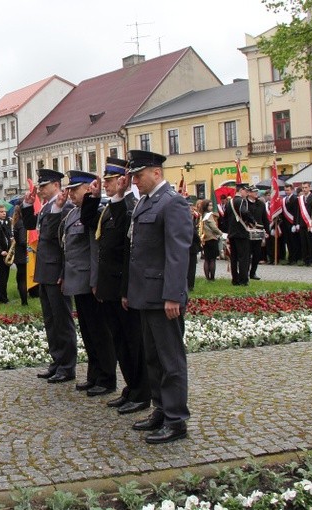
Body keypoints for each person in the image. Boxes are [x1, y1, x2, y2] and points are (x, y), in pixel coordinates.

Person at [122, 149, 192, 445]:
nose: (135, 181)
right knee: (153, 357)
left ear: (156, 173)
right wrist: (130, 291)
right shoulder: (144, 204)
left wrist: (174, 296)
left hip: (164, 296)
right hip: (144, 293)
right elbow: (136, 253)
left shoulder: (172, 203)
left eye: (138, 175)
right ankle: (160, 409)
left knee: (170, 359)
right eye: (133, 176)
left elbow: (178, 253)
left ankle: (176, 419)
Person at [81, 157, 150, 414]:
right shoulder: (111, 206)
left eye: (109, 181)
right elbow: (90, 222)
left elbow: (126, 248)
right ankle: (131, 388)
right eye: (106, 181)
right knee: (120, 342)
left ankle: (142, 391)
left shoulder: (130, 205)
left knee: (133, 342)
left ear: (124, 180)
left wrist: (124, 289)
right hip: (109, 286)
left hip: (124, 287)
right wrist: (92, 197)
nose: (106, 185)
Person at [59, 170, 115, 397]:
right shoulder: (73, 214)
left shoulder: (97, 212)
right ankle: (94, 375)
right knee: (88, 332)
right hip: (76, 280)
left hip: (89, 282)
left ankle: (106, 377)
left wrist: (96, 281)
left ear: (89, 188)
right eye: (70, 190)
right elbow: (67, 249)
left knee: (99, 332)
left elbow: (95, 250)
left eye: (75, 190)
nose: (71, 194)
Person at [22, 168, 77, 384]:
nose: (40, 190)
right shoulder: (47, 207)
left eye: (43, 186)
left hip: (56, 271)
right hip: (45, 270)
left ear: (56, 185)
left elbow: (65, 244)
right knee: (50, 320)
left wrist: (64, 272)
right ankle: (57, 361)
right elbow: (30, 226)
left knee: (62, 320)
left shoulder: (65, 207)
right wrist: (27, 204)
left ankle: (67, 365)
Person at [226, 183, 253, 286]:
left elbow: (225, 218)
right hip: (241, 232)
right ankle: (243, 280)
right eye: (246, 191)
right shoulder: (241, 201)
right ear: (241, 190)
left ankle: (235, 279)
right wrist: (252, 221)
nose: (247, 193)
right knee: (243, 257)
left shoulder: (230, 202)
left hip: (232, 233)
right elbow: (244, 213)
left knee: (234, 257)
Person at [247, 186, 269, 280]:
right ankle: (245, 271)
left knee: (257, 253)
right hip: (248, 231)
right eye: (254, 191)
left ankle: (253, 272)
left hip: (259, 231)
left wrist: (266, 231)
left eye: (257, 191)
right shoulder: (245, 203)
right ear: (249, 193)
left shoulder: (260, 204)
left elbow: (265, 218)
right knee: (247, 254)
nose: (256, 193)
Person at [10, 205, 29, 306]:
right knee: (23, 279)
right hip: (22, 254)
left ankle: (23, 299)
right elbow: (22, 240)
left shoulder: (18, 222)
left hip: (19, 253)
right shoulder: (22, 223)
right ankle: (24, 301)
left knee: (21, 276)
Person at [0, 204, 11, 303]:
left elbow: (8, 235)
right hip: (0, 253)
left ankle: (3, 295)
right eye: (1, 212)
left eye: (4, 211)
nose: (4, 213)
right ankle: (1, 297)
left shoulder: (6, 222)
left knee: (5, 276)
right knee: (2, 277)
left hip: (7, 251)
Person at [199, 200, 222, 281]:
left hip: (204, 238)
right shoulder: (209, 215)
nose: (211, 207)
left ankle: (207, 277)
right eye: (210, 205)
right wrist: (220, 233)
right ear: (206, 206)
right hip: (211, 238)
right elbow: (213, 227)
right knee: (212, 259)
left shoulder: (202, 215)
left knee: (206, 259)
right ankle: (212, 277)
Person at [297, 182, 312, 266]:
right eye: (303, 188)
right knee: (303, 243)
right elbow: (298, 212)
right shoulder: (300, 198)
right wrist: (297, 223)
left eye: (305, 188)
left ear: (309, 188)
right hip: (302, 224)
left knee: (310, 243)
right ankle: (305, 259)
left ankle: (311, 260)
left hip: (310, 223)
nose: (304, 189)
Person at [281, 183, 300, 265]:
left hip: (293, 223)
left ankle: (295, 258)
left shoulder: (295, 199)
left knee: (294, 242)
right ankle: (290, 258)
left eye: (288, 190)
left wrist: (295, 224)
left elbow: (297, 212)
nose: (286, 192)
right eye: (285, 190)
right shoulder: (284, 199)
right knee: (288, 242)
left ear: (292, 190)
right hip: (286, 224)